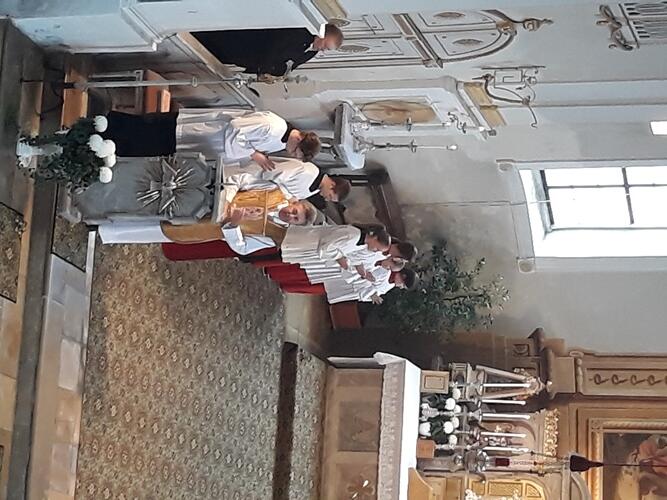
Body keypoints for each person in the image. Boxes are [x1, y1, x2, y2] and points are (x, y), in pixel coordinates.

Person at [98, 189, 317, 252]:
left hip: (206, 227)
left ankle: (105, 228)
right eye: (294, 210)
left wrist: (233, 224)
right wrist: (229, 201)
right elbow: (240, 179)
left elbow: (241, 248)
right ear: (295, 202)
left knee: (158, 228)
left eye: (295, 219)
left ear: (294, 225)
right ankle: (105, 205)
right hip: (208, 200)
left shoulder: (273, 235)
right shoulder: (275, 191)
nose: (291, 215)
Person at [102, 109, 321, 170]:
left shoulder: (278, 141)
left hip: (204, 145)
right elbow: (236, 127)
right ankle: (105, 126)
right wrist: (253, 154)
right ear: (299, 139)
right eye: (295, 152)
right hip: (202, 131)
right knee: (147, 130)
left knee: (149, 147)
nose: (290, 153)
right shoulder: (273, 125)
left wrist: (252, 155)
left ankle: (109, 147)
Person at [193, 24, 344, 77]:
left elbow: (289, 67)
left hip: (248, 59)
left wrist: (276, 73)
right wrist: (268, 69)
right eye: (326, 45)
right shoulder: (300, 33)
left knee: (214, 56)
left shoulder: (312, 51)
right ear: (322, 34)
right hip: (246, 44)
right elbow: (275, 48)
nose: (323, 50)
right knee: (207, 41)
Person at [234, 157, 351, 203]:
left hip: (252, 193)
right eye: (330, 196)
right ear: (332, 185)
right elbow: (272, 172)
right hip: (250, 175)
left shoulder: (313, 191)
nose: (326, 199)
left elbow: (289, 198)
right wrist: (286, 195)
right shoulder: (308, 171)